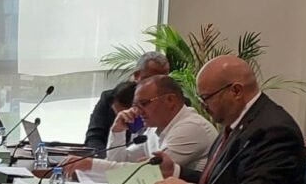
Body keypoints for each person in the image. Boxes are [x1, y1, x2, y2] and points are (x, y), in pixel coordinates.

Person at [150, 55, 304, 184]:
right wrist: (175, 171)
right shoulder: (236, 121)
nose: (203, 107)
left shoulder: (273, 130)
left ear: (236, 91)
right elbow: (220, 181)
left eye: (206, 98)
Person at [62, 75, 217, 178]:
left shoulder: (191, 127)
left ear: (170, 100)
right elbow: (122, 160)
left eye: (143, 104)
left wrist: (90, 164)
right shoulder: (154, 128)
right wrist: (118, 131)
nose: (137, 111)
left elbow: (148, 173)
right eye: (135, 106)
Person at [84, 52, 171, 152]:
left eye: (163, 79)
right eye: (151, 79)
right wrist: (105, 158)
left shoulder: (171, 103)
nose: (157, 85)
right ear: (137, 75)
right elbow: (94, 138)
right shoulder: (112, 98)